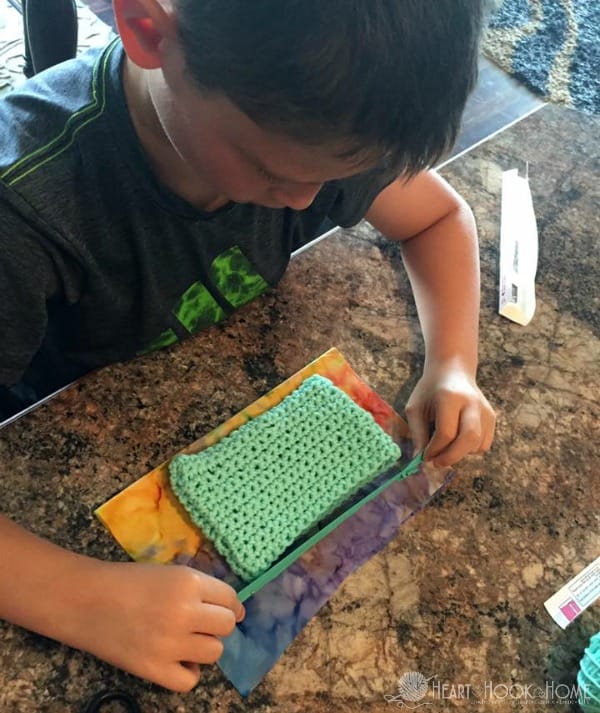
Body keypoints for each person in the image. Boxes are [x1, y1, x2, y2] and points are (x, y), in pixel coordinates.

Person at [0, 0, 496, 693]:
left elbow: (441, 216)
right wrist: (84, 598)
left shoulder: (323, 121)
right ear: (148, 30)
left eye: (338, 175)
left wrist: (453, 363)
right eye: (273, 172)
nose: (307, 200)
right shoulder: (27, 204)